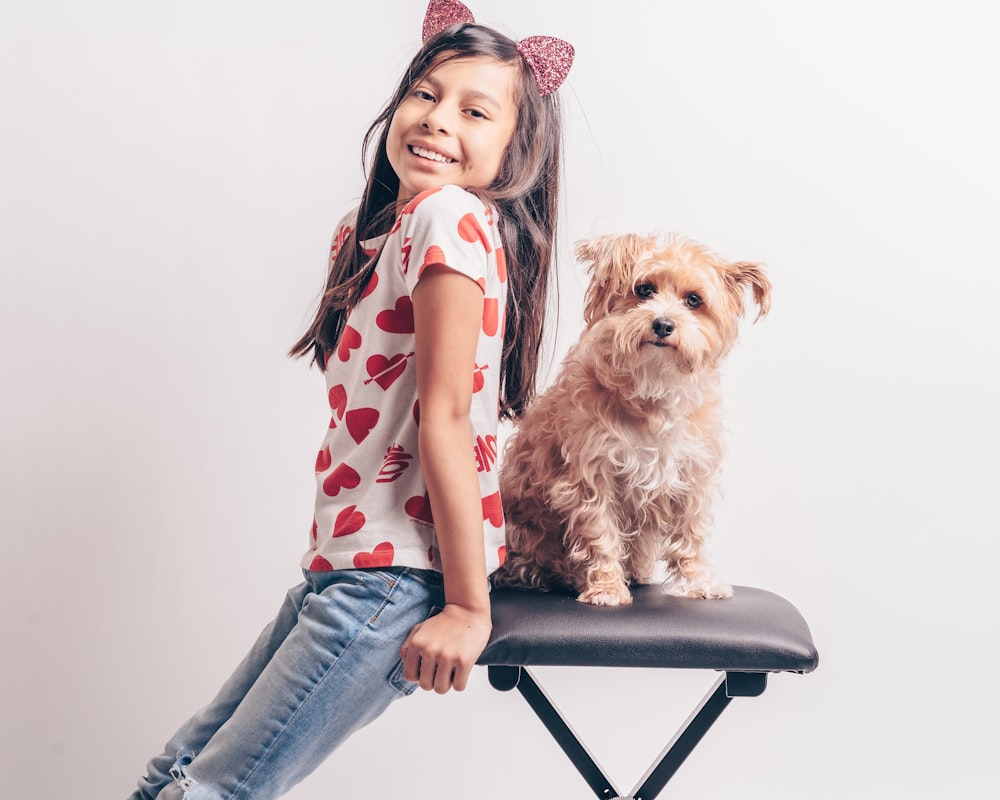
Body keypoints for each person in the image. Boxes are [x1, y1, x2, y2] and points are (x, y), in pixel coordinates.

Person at [128, 1, 573, 798]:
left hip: (392, 577)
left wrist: (470, 609)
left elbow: (441, 416)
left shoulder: (449, 216)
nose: (438, 121)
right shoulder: (370, 235)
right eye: (426, 94)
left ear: (516, 146)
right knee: (177, 776)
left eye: (475, 110)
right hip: (345, 565)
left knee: (210, 790)